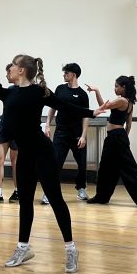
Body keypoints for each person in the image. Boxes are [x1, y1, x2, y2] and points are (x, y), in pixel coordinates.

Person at [0, 54, 97, 273]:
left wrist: (92, 112)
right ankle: (23, 247)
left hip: (43, 153)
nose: (10, 69)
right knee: (25, 201)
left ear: (21, 70)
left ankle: (71, 248)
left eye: (13, 66)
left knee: (56, 199)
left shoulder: (39, 92)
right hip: (25, 155)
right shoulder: (10, 93)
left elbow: (64, 105)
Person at [85, 76, 137, 208]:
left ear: (124, 87)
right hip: (117, 137)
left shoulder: (122, 101)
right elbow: (128, 125)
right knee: (106, 168)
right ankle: (102, 196)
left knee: (129, 170)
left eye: (117, 86)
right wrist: (125, 138)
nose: (115, 88)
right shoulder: (129, 102)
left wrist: (97, 90)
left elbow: (103, 107)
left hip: (116, 138)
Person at [45, 63, 92, 203]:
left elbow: (86, 116)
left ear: (74, 75)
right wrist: (47, 124)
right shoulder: (60, 89)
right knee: (55, 163)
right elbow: (53, 108)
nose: (64, 75)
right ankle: (49, 192)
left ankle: (81, 189)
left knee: (82, 164)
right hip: (61, 133)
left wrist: (83, 136)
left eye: (66, 73)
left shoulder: (83, 95)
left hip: (77, 134)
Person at [0, 63, 20, 203]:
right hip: (4, 129)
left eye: (8, 71)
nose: (7, 74)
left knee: (16, 162)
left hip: (18, 131)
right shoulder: (9, 90)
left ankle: (17, 191)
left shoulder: (30, 90)